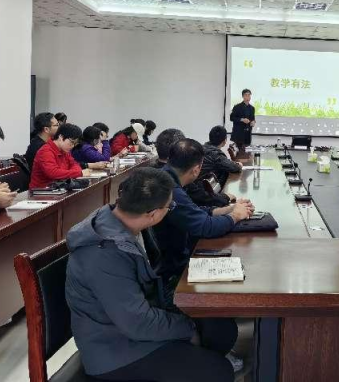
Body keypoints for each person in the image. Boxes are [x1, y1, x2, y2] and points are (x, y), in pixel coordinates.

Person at [65, 167, 237, 382]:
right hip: (115, 349)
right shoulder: (103, 254)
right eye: (169, 206)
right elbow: (137, 323)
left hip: (134, 324)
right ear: (153, 213)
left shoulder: (125, 220)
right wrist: (188, 327)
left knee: (220, 328)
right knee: (218, 371)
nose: (170, 210)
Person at [154, 139, 254, 289]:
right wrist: (235, 217)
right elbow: (206, 227)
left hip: (173, 254)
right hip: (175, 269)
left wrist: (228, 209)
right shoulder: (171, 189)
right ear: (196, 169)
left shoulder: (168, 176)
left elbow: (193, 210)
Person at [186, 126, 243, 209]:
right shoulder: (215, 154)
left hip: (197, 191)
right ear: (224, 141)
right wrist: (239, 165)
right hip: (207, 195)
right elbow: (234, 168)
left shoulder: (202, 147)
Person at [30, 124, 98, 189]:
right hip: (42, 191)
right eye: (72, 142)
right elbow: (53, 173)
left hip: (59, 188)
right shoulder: (45, 151)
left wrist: (74, 172)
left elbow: (75, 165)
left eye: (75, 144)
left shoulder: (64, 151)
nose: (72, 146)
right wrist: (79, 173)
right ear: (61, 137)